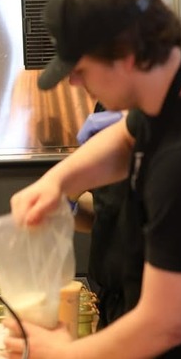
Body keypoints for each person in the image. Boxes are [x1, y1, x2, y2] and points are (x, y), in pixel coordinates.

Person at [4, 0, 181, 357]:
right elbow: (129, 133)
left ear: (127, 55)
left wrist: (61, 352)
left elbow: (164, 324)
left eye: (81, 70)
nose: (75, 84)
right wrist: (57, 181)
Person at [73, 104, 131, 330]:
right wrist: (67, 207)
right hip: (109, 299)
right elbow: (106, 209)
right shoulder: (105, 108)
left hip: (147, 302)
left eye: (84, 71)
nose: (74, 82)